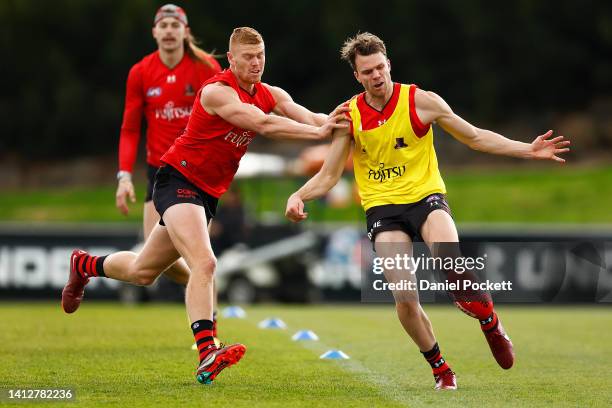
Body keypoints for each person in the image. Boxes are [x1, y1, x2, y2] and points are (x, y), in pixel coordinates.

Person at [62, 27, 348, 385]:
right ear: (231, 59)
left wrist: (340, 122)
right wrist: (318, 134)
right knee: (205, 262)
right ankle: (207, 351)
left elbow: (306, 115)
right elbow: (262, 124)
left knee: (142, 272)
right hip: (177, 181)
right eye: (248, 57)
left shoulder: (269, 92)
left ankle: (84, 264)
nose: (256, 63)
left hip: (206, 194)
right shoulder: (216, 92)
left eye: (260, 56)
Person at [285, 32, 571, 390]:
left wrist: (528, 150)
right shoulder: (349, 115)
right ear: (357, 76)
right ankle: (441, 368)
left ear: (388, 64)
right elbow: (328, 174)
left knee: (452, 266)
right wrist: (300, 194)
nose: (376, 76)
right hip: (383, 211)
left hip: (426, 199)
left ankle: (490, 322)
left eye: (380, 68)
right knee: (405, 298)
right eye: (367, 72)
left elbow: (475, 137)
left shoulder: (420, 101)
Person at [115, 4, 222, 338]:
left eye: (176, 24)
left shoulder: (206, 67)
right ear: (155, 32)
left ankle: (209, 324)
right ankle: (201, 285)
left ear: (185, 31)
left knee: (201, 257)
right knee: (153, 260)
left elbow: (226, 117)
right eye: (164, 25)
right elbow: (130, 128)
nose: (170, 30)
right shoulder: (141, 72)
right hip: (158, 172)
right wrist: (123, 177)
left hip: (195, 173)